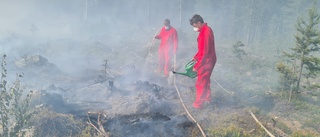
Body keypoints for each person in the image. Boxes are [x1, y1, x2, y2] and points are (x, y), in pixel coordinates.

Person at [189, 14, 217, 109]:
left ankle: (198, 105)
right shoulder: (204, 31)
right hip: (206, 59)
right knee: (205, 81)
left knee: (201, 83)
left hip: (206, 61)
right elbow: (201, 50)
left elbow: (205, 52)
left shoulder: (206, 32)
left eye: (195, 25)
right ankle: (207, 100)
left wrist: (197, 66)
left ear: (199, 23)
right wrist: (196, 57)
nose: (194, 28)